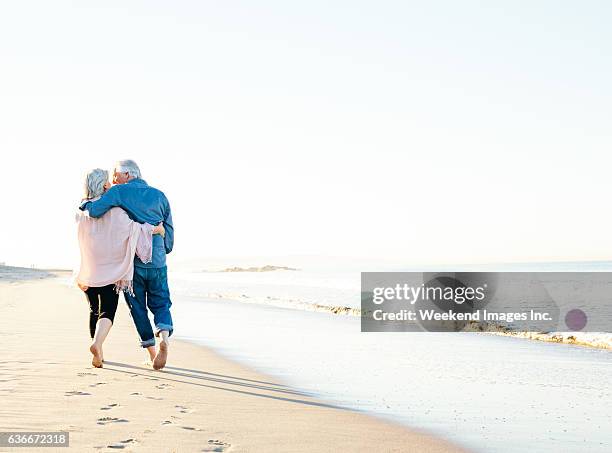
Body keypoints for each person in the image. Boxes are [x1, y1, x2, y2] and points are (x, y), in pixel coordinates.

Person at [79, 159, 174, 370]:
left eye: (116, 175)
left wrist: (85, 203)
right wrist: (163, 247)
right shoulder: (160, 195)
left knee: (137, 308)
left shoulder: (119, 192)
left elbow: (94, 211)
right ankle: (164, 336)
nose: (113, 179)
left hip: (132, 263)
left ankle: (151, 351)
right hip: (157, 261)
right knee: (161, 303)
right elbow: (168, 227)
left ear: (127, 175)